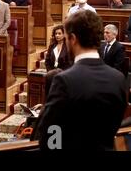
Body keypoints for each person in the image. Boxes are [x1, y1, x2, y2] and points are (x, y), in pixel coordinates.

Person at [37, 11, 128, 150]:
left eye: (67, 37)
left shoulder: (64, 80)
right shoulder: (119, 79)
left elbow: (50, 135)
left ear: (73, 39)